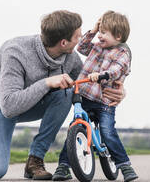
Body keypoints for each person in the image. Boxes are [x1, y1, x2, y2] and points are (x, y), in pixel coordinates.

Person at [0, 10, 125, 180]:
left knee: (66, 93)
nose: (81, 41)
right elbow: (9, 107)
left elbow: (87, 82)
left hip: (32, 103)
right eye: (78, 37)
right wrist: (47, 83)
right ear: (64, 42)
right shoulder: (15, 51)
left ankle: (35, 160)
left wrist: (120, 90)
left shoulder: (70, 57)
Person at [52, 11, 138, 182]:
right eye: (100, 31)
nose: (100, 35)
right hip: (85, 95)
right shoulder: (97, 45)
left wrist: (101, 74)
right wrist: (93, 30)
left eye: (104, 32)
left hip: (104, 102)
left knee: (107, 131)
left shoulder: (123, 53)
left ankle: (124, 165)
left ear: (118, 35)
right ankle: (64, 166)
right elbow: (82, 47)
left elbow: (117, 70)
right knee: (74, 129)